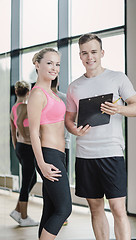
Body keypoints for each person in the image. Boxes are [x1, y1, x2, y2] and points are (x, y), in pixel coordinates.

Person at [65, 34, 136, 240]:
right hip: (85, 155)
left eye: (93, 52)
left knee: (118, 208)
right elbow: (68, 119)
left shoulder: (118, 78)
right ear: (80, 56)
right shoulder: (74, 86)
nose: (89, 57)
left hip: (111, 153)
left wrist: (118, 109)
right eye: (84, 53)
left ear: (102, 53)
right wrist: (74, 130)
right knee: (96, 209)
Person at [27, 48, 72, 240]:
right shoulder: (37, 94)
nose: (54, 68)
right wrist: (42, 164)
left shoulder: (52, 93)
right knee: (64, 209)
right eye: (49, 63)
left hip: (59, 155)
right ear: (37, 65)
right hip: (48, 156)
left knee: (51, 209)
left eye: (57, 64)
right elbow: (33, 133)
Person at [10, 80, 38, 227]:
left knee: (31, 180)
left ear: (16, 92)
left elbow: (12, 131)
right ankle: (24, 217)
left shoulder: (13, 108)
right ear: (28, 93)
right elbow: (20, 124)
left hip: (21, 147)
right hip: (26, 147)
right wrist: (27, 138)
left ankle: (17, 210)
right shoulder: (24, 107)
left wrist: (17, 146)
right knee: (27, 181)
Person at [51, 76, 70, 226]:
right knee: (63, 177)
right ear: (58, 82)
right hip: (61, 146)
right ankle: (61, 213)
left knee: (52, 181)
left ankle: (57, 211)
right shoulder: (63, 98)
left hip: (58, 146)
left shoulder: (40, 96)